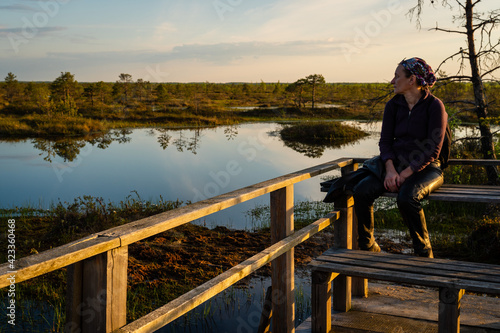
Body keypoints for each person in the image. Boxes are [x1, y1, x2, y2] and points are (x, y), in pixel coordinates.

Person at [352, 57, 448, 258]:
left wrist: (404, 175)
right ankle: (368, 246)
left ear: (412, 80)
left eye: (397, 76)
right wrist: (390, 169)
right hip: (395, 166)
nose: (392, 81)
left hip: (428, 168)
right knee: (361, 190)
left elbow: (432, 150)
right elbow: (385, 142)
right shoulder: (393, 105)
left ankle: (423, 252)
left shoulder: (434, 106)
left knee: (407, 198)